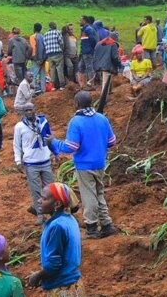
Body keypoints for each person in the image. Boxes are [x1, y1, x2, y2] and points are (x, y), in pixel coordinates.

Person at [50, 92, 120, 239]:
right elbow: (112, 141)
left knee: (89, 195)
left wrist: (54, 142)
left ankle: (92, 227)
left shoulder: (76, 122)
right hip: (100, 163)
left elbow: (71, 147)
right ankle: (107, 224)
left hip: (84, 165)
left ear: (77, 104)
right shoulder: (102, 119)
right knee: (99, 192)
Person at [13, 102, 57, 222]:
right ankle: (40, 214)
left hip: (45, 160)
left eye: (30, 110)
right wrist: (18, 161)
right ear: (23, 112)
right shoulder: (19, 127)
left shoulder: (43, 122)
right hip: (31, 163)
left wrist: (56, 152)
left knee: (51, 189)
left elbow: (50, 137)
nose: (28, 112)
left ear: (35, 109)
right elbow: (17, 145)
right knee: (35, 190)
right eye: (26, 110)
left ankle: (53, 212)